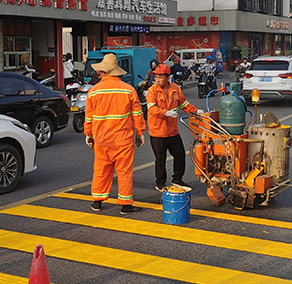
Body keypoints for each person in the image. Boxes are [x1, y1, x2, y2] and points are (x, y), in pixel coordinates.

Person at [84, 53, 146, 214]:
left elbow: (89, 117)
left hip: (101, 140)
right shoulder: (128, 90)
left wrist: (88, 134)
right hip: (122, 140)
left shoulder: (93, 91)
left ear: (103, 72)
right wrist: (140, 133)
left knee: (101, 170)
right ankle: (125, 205)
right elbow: (137, 114)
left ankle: (97, 202)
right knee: (124, 172)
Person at [146, 64, 203, 192]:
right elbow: (151, 108)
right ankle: (160, 183)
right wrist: (165, 113)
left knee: (180, 155)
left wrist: (195, 111)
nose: (157, 80)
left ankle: (177, 179)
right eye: (156, 77)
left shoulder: (175, 89)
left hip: (172, 132)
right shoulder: (152, 91)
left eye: (160, 77)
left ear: (168, 77)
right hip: (157, 132)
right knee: (160, 159)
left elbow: (184, 104)